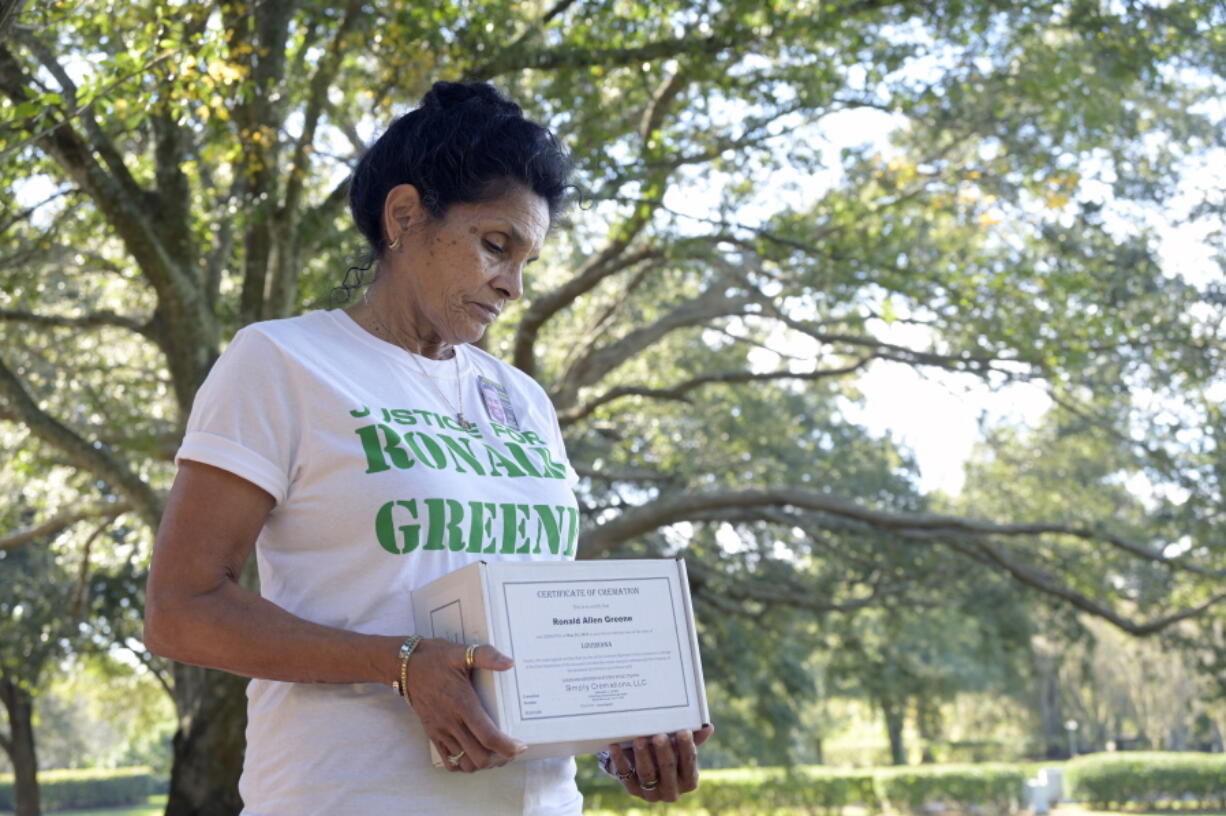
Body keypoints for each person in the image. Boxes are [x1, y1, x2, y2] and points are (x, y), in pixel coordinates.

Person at [144, 80, 713, 816]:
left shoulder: (524, 401)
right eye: (494, 246)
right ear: (405, 215)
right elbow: (180, 609)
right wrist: (400, 665)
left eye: (525, 263)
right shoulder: (282, 362)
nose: (511, 285)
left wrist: (618, 731)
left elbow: (535, 637)